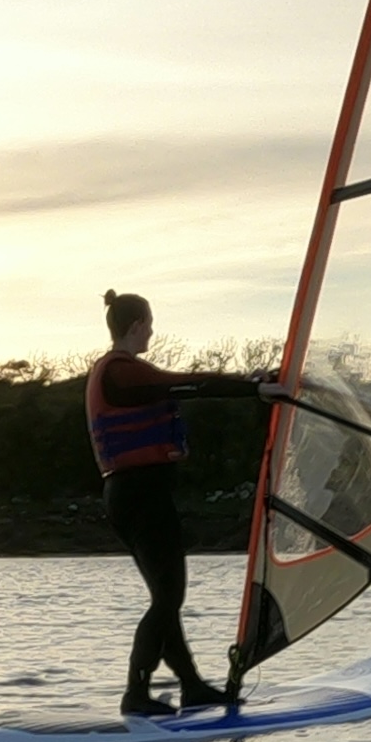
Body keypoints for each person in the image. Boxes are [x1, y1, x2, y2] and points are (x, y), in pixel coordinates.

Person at [85, 290, 274, 717]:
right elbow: (186, 384)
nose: (152, 330)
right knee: (169, 597)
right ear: (136, 325)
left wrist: (255, 381)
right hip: (140, 496)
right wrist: (252, 387)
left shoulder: (120, 372)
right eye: (148, 323)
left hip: (132, 495)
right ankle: (136, 693)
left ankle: (190, 686)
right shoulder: (119, 372)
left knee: (164, 597)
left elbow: (178, 384)